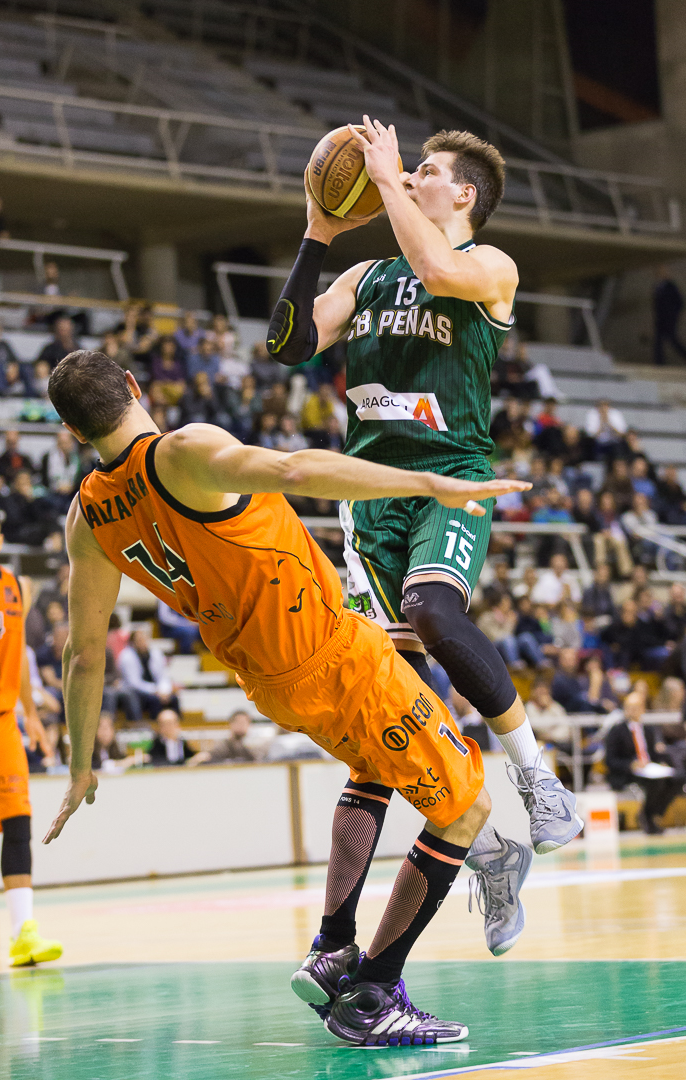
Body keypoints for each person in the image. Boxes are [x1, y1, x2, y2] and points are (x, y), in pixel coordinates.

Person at [43, 348, 537, 1046]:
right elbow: (296, 470)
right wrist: (430, 481)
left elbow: (83, 653)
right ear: (132, 384)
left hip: (268, 680)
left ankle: (336, 945)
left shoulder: (87, 518)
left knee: (375, 768)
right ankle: (373, 992)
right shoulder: (185, 451)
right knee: (468, 808)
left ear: (72, 432)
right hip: (328, 651)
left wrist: (80, 762)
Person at [265, 119, 581, 885]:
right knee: (392, 706)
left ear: (463, 193)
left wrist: (377, 177)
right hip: (371, 490)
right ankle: (485, 850)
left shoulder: (488, 264)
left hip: (454, 474)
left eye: (425, 170)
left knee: (436, 612)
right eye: (407, 168)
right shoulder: (365, 275)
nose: (408, 175)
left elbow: (436, 271)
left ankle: (538, 779)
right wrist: (316, 232)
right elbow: (289, 343)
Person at [0, 500, 61, 965]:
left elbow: (18, 656)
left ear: (1, 540)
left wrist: (33, 716)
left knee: (18, 822)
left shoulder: (15, 588)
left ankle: (24, 933)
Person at [606, 691, 685, 833]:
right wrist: (631, 764)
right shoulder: (617, 731)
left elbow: (654, 754)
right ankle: (647, 816)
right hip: (629, 773)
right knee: (657, 782)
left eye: (636, 707)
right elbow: (610, 760)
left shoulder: (649, 730)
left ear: (643, 709)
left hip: (649, 769)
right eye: (629, 707)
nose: (632, 710)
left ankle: (654, 813)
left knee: (679, 777)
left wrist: (662, 762)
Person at [117, 628, 179, 721]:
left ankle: (177, 726)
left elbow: (162, 676)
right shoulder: (126, 656)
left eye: (144, 639)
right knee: (154, 701)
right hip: (136, 692)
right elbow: (134, 683)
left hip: (156, 690)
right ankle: (156, 726)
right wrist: (155, 691)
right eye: (139, 640)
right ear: (133, 642)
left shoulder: (155, 653)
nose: (142, 642)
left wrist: (164, 691)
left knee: (174, 699)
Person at [653, 266, 686, 366]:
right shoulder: (658, 287)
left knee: (672, 340)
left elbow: (679, 302)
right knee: (658, 342)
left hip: (669, 319)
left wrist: (672, 314)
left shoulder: (671, 287)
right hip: (661, 319)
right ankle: (659, 364)